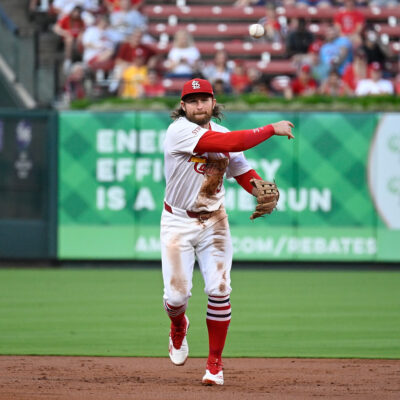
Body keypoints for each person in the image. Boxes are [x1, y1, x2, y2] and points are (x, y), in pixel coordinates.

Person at [161, 78, 294, 386]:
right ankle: (178, 324)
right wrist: (269, 129)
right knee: (176, 297)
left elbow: (242, 170)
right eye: (192, 100)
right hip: (178, 222)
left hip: (214, 222)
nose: (198, 105)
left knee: (220, 289)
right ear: (182, 106)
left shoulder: (222, 132)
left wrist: (259, 189)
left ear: (213, 103)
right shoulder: (178, 131)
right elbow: (231, 144)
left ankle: (214, 364)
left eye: (203, 99)